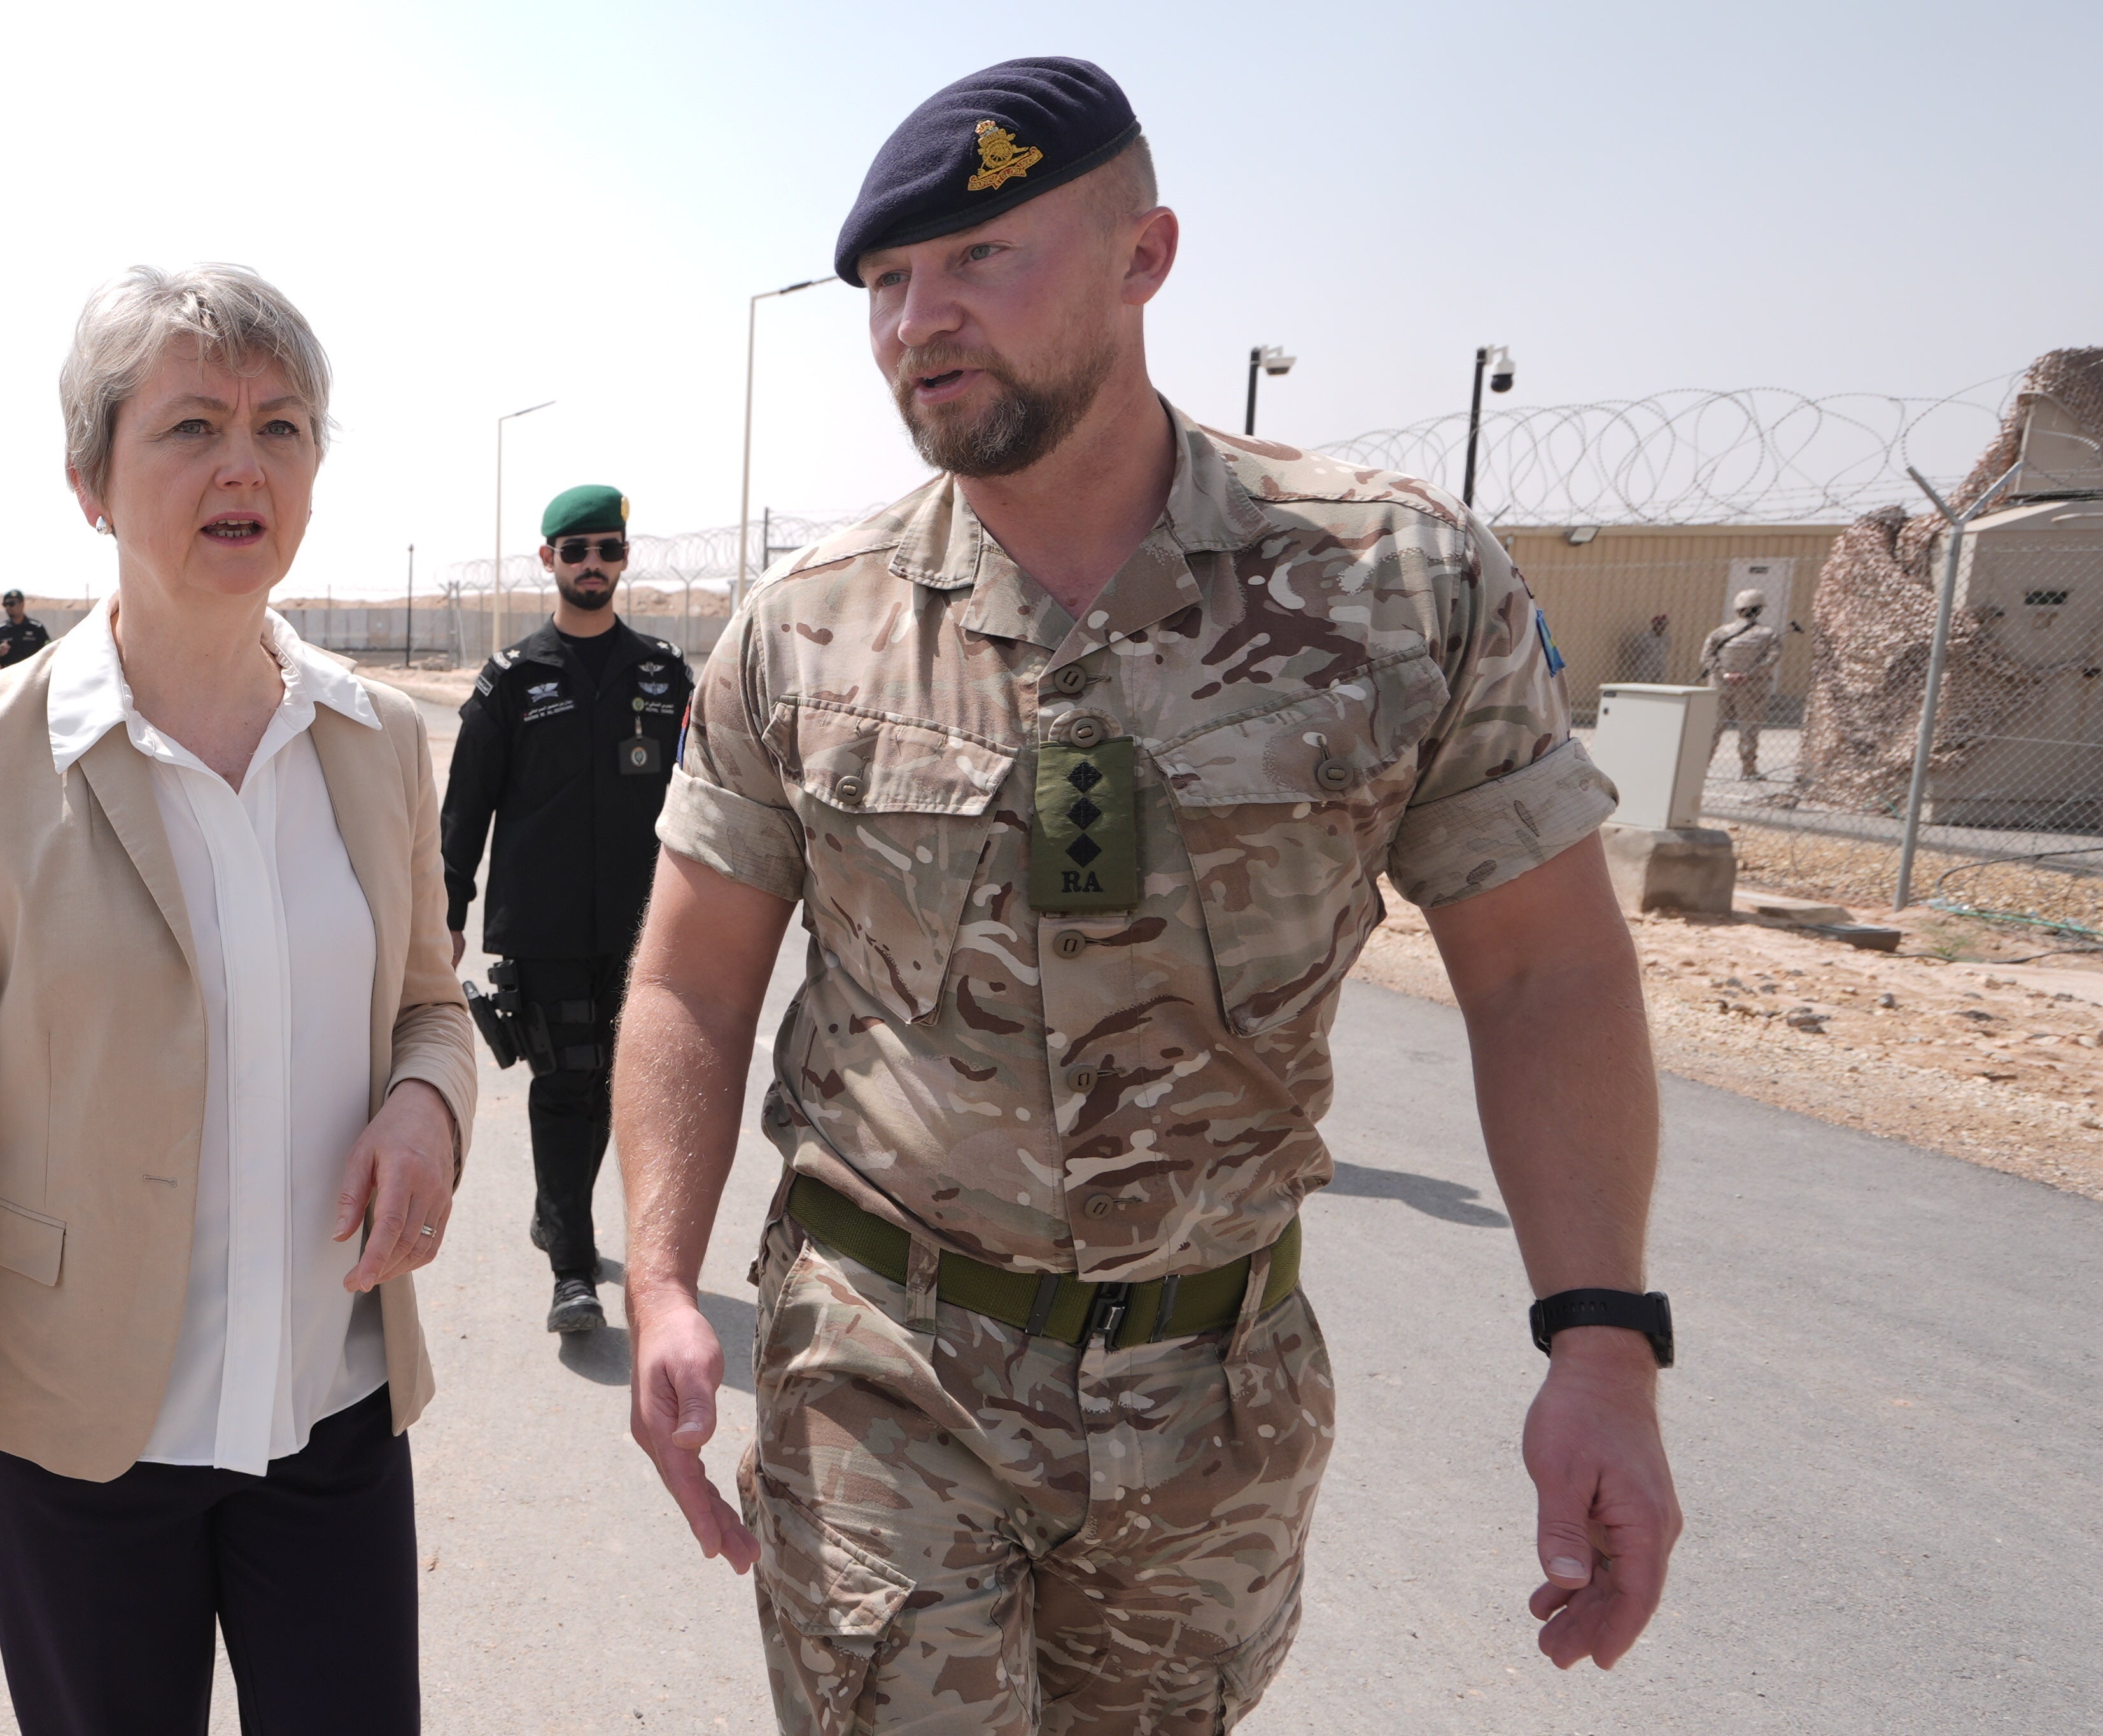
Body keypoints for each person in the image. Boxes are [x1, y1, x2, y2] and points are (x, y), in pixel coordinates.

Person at [612, 58, 1681, 1734]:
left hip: (1214, 1402)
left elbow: (1545, 967)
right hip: (890, 1364)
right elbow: (688, 977)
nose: (918, 319)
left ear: (1144, 255)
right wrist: (664, 1277)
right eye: (889, 285)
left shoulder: (1393, 594)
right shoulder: (808, 634)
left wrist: (1601, 1342)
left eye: (982, 258)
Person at [0, 262, 475, 1735]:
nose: (244, 464)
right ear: (90, 478)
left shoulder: (374, 742)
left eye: (284, 425)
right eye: (192, 426)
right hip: (80, 1446)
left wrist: (428, 1102)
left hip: (330, 1416)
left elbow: (433, 1005)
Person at [440, 485, 689, 1334]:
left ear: (624, 558)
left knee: (614, 1089)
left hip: (642, 924)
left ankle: (560, 1214)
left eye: (608, 550)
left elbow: (700, 799)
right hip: (541, 923)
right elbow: (466, 806)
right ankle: (573, 1271)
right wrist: (449, 906)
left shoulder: (662, 671)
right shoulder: (514, 679)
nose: (593, 565)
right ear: (548, 560)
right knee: (562, 1085)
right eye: (576, 550)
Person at [1700, 587, 1782, 778]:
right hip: (1752, 688)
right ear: (1759, 610)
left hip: (1721, 685)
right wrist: (1747, 674)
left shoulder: (1720, 632)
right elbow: (1772, 659)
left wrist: (1725, 674)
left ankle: (1702, 766)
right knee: (1749, 729)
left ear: (1737, 609)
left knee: (1714, 727)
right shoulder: (1768, 634)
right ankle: (1748, 769)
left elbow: (1707, 657)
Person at [0, 587, 52, 669]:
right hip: (8, 677)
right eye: (5, 605)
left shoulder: (36, 628)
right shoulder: (0, 630)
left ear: (22, 604)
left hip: (31, 676)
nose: (8, 607)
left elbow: (49, 652)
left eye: (12, 604)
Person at [1621, 611, 1672, 685]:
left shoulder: (1667, 638)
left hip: (1660, 668)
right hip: (1646, 669)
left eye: (1664, 625)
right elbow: (1635, 654)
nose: (1662, 627)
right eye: (1660, 624)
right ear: (1654, 625)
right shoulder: (1645, 638)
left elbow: (1667, 650)